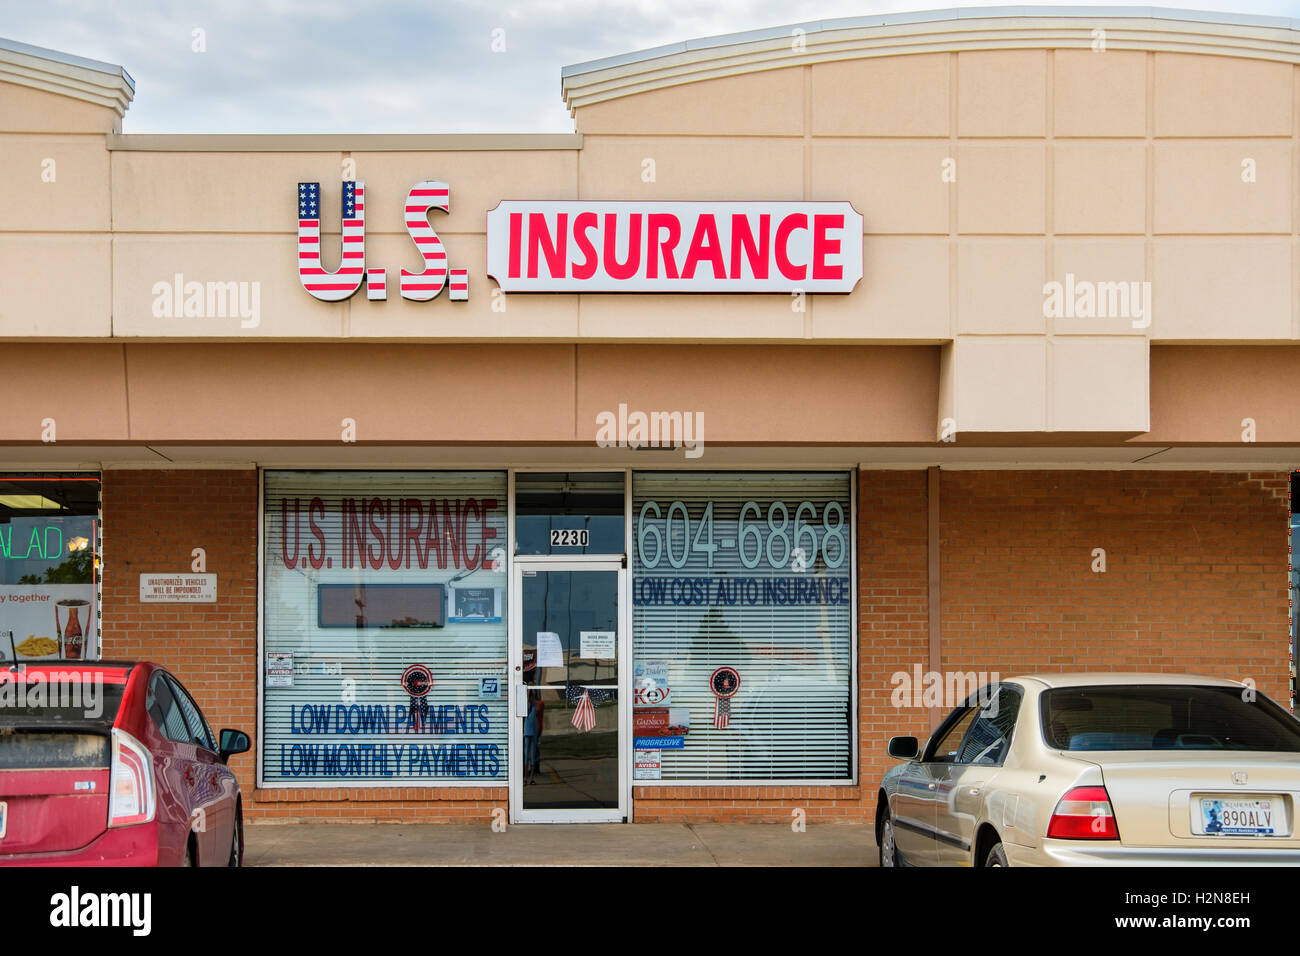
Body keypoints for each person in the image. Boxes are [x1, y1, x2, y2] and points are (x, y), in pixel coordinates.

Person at [523, 690, 545, 785]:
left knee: (532, 754)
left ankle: (531, 777)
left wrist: (532, 699)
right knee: (526, 754)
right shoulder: (524, 703)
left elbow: (538, 710)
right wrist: (527, 698)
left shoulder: (536, 703)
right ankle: (525, 777)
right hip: (527, 729)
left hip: (533, 729)